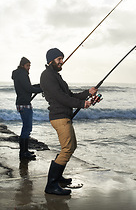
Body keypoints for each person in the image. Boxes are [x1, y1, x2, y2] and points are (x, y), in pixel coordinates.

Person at [40, 48, 98, 195]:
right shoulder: (47, 76)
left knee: (71, 146)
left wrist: (87, 93)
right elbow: (60, 97)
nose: (62, 62)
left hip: (64, 116)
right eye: (59, 59)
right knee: (67, 149)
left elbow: (70, 95)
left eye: (62, 59)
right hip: (59, 117)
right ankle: (51, 185)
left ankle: (57, 177)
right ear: (50, 61)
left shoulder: (56, 76)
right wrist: (81, 104)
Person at [12, 57, 42, 161]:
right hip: (24, 104)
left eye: (30, 66)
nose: (29, 68)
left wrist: (39, 86)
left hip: (22, 103)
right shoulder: (22, 74)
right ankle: (23, 153)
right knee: (27, 128)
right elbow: (29, 88)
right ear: (22, 65)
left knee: (26, 128)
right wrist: (42, 89)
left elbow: (27, 87)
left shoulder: (19, 74)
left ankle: (24, 151)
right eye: (27, 65)